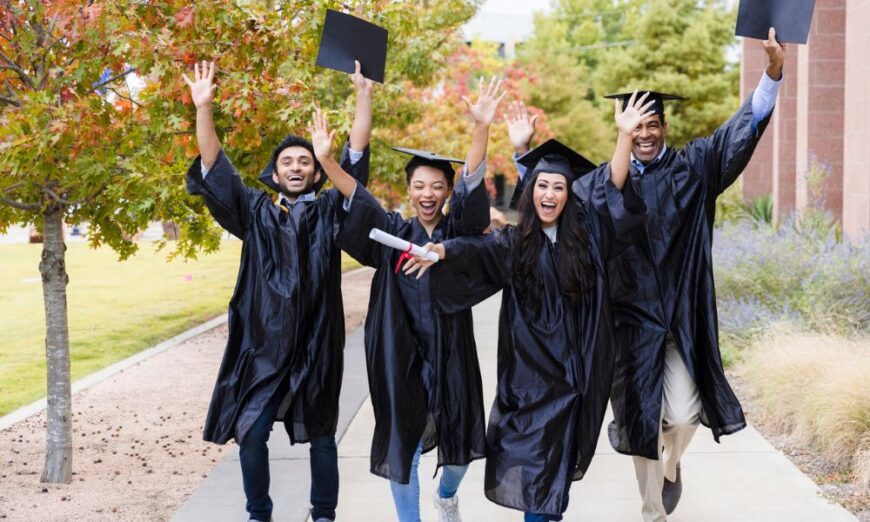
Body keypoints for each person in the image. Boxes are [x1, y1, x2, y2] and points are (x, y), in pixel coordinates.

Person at [403, 94, 654, 521]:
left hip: (576, 381)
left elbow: (612, 186)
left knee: (554, 480)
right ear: (530, 193)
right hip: (528, 383)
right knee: (536, 481)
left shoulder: (589, 238)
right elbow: (475, 250)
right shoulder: (515, 244)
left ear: (569, 196)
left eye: (559, 186)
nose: (550, 193)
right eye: (542, 185)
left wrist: (624, 137)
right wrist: (441, 251)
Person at [600, 28, 786, 522]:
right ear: (624, 128)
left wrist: (771, 73)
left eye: (653, 123)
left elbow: (737, 133)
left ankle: (673, 465)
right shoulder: (608, 180)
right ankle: (652, 513)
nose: (645, 134)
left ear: (664, 126)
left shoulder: (694, 168)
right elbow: (564, 206)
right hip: (630, 323)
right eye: (636, 125)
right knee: (640, 420)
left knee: (680, 416)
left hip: (682, 318)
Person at [182, 59, 373, 522]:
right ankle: (258, 514)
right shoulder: (255, 211)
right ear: (275, 171)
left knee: (323, 435)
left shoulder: (331, 210)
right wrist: (203, 108)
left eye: (305, 161)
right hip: (262, 347)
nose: (295, 166)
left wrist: (363, 95)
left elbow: (355, 161)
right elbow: (213, 166)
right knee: (252, 431)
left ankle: (323, 514)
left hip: (317, 341)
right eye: (287, 160)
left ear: (315, 172)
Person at [322, 77, 504, 522]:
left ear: (446, 192)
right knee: (404, 447)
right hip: (397, 352)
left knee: (460, 450)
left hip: (450, 352)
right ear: (409, 191)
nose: (428, 194)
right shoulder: (391, 234)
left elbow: (472, 186)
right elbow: (355, 196)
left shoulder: (456, 234)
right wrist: (327, 160)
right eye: (420, 186)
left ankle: (446, 495)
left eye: (437, 187)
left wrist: (481, 129)